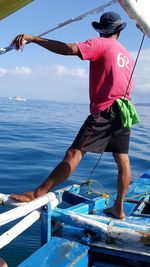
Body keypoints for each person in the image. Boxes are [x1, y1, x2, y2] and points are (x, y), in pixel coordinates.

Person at [10, 11, 135, 219]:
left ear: (102, 31)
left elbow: (69, 49)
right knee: (123, 159)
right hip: (125, 110)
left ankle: (37, 192)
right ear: (119, 32)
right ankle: (119, 209)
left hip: (107, 109)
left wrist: (34, 38)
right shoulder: (126, 54)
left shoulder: (101, 44)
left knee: (74, 153)